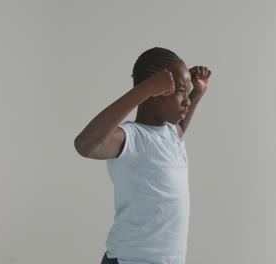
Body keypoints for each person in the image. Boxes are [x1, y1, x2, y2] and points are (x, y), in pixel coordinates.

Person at [74, 47, 212, 264]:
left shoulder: (170, 133)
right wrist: (144, 89)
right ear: (153, 92)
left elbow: (181, 126)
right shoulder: (132, 138)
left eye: (186, 92)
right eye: (179, 91)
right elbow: (85, 145)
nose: (185, 100)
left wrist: (198, 91)